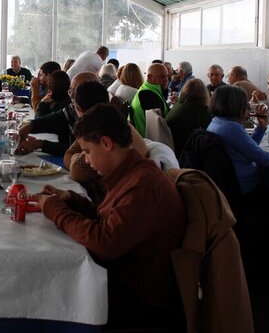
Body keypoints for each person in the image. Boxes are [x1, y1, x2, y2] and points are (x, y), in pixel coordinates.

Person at [35, 104, 185, 329]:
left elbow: (105, 242)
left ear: (106, 143)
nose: (86, 160)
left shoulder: (143, 185)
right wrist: (72, 200)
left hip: (139, 302)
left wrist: (56, 210)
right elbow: (111, 219)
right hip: (126, 280)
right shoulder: (130, 173)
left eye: (87, 151)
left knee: (49, 285)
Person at [208, 85, 269, 195]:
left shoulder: (217, 121)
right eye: (245, 105)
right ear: (237, 106)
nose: (248, 108)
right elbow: (263, 158)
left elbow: (249, 148)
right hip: (243, 187)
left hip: (226, 183)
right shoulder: (232, 128)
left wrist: (261, 127)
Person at [166, 78, 212, 155]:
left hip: (173, 147)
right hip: (185, 152)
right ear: (204, 93)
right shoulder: (201, 111)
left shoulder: (178, 105)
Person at [131, 63, 169, 137]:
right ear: (149, 77)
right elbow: (161, 127)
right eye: (162, 76)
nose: (166, 79)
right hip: (148, 140)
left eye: (167, 76)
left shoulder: (147, 89)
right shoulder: (148, 96)